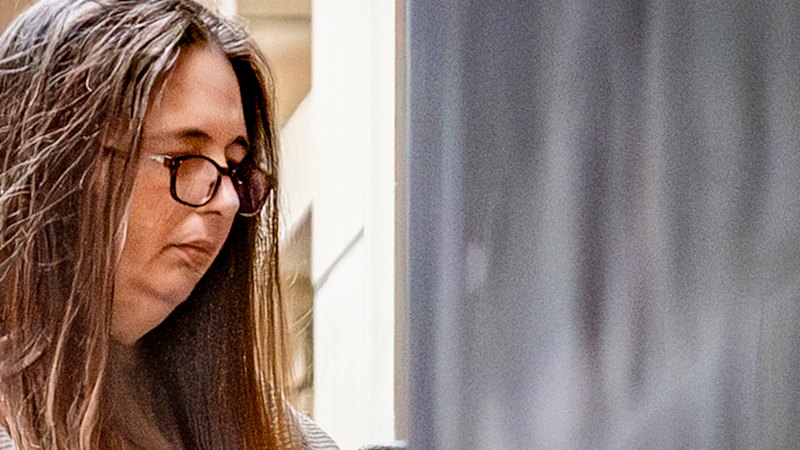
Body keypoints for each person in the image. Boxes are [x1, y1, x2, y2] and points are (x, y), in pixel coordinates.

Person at [0, 0, 337, 448]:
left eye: (234, 166)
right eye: (180, 159)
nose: (229, 200)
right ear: (58, 171)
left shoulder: (276, 431)